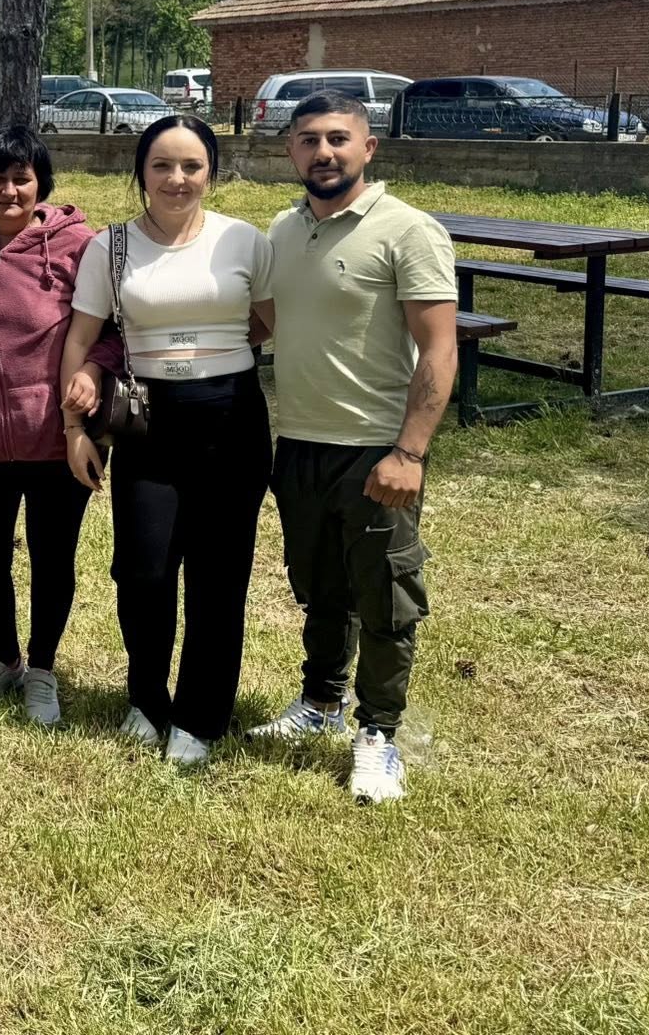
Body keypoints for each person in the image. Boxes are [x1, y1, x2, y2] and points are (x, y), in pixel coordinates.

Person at [249, 93, 456, 804]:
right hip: (299, 444)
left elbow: (439, 347)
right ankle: (321, 701)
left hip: (376, 451)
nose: (323, 152)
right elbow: (265, 323)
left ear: (369, 148)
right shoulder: (282, 231)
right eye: (308, 140)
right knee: (319, 588)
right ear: (290, 151)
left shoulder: (408, 230)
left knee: (386, 598)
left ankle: (378, 734)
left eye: (339, 138)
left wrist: (410, 452)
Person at [60, 115, 275, 766]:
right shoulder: (111, 247)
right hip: (146, 418)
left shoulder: (243, 241)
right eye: (162, 165)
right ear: (141, 172)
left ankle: (200, 716)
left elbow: (268, 322)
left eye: (191, 166)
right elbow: (80, 338)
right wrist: (73, 428)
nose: (177, 179)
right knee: (143, 572)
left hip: (231, 417)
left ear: (211, 171)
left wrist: (208, 355)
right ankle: (147, 699)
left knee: (218, 576)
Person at [0, 126, 119, 721]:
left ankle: (42, 668)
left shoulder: (79, 246)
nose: (9, 191)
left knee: (52, 558)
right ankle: (3, 657)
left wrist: (92, 367)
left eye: (22, 178)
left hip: (56, 439)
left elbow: (115, 329)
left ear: (41, 184)